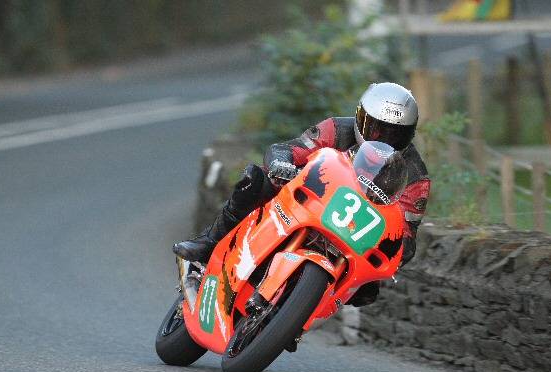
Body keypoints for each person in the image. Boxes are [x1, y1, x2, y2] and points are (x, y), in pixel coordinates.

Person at [173, 82, 430, 307]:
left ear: (410, 134)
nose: (383, 139)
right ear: (361, 118)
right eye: (376, 129)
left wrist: (393, 245)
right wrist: (281, 164)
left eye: (396, 134)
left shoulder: (416, 176)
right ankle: (209, 243)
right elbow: (289, 149)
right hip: (309, 198)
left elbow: (406, 235)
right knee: (255, 180)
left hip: (355, 233)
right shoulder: (336, 130)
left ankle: (299, 308)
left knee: (367, 290)